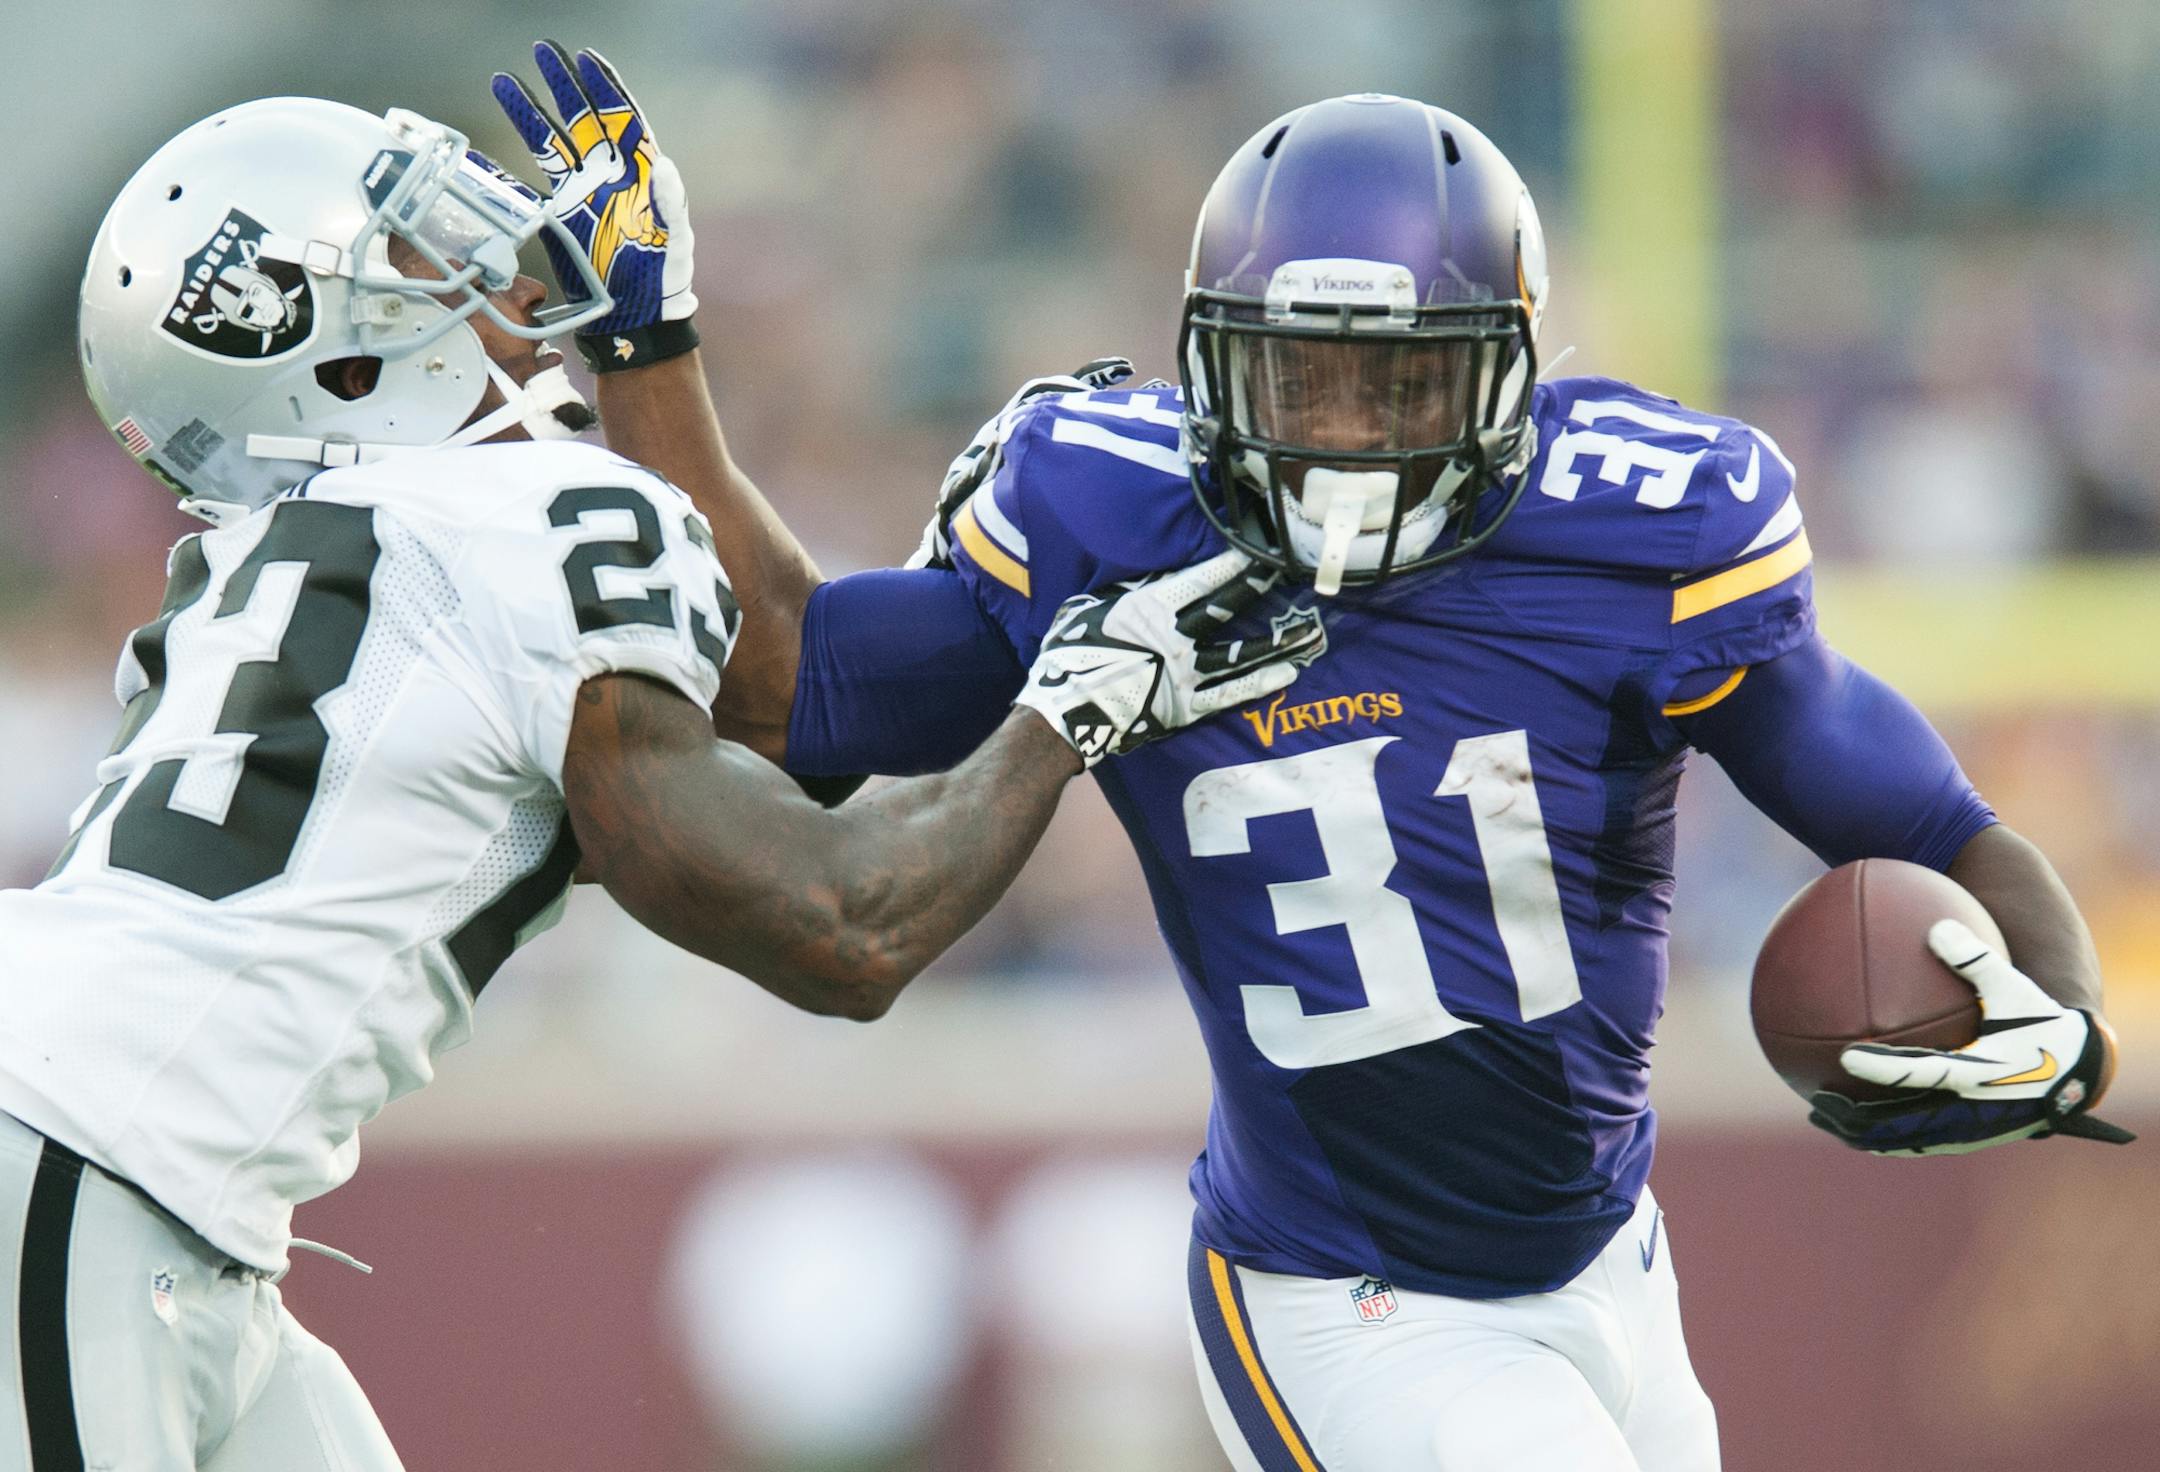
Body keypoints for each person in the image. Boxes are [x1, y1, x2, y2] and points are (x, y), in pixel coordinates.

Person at [493, 46, 2132, 1472]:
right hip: (1347, 1300)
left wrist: (2061, 1019)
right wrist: (651, 354)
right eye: (1301, 378)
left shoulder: (1647, 533)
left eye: (1397, 382)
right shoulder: (1110, 517)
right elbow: (787, 686)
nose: (1342, 437)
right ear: (1207, 361)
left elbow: (1932, 823)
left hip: (1612, 1266)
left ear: (1509, 367)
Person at [0, 94, 1323, 1470]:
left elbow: (777, 715)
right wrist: (1074, 708)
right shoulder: (512, 526)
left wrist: (651, 349)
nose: (509, 281)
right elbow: (843, 923)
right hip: (94, 1163)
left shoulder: (302, 561)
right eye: (418, 259)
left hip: (136, 1185)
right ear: (329, 362)